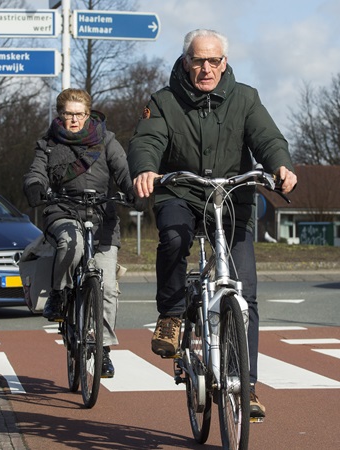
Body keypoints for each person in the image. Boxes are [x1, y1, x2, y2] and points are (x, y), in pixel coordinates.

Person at [127, 29, 298, 420]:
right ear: (186, 62)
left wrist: (280, 165)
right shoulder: (165, 101)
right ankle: (171, 315)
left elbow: (267, 137)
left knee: (245, 293)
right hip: (182, 193)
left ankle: (245, 386)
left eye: (214, 61)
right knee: (173, 237)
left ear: (224, 62)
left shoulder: (246, 98)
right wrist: (147, 169)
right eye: (198, 61)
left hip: (231, 197)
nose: (206, 68)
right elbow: (147, 141)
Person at [23, 88, 133, 379]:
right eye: (68, 114)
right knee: (72, 246)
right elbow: (36, 172)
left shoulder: (106, 140)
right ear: (60, 114)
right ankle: (59, 294)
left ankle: (104, 350)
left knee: (108, 287)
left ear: (88, 114)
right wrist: (35, 186)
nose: (74, 120)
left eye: (79, 114)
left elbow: (123, 170)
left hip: (102, 215)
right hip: (63, 211)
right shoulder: (47, 143)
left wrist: (133, 189)